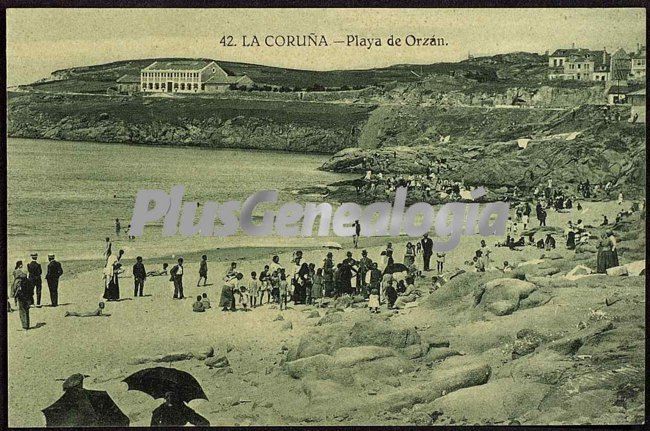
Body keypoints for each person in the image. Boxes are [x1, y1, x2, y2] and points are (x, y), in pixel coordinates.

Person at [12, 261, 32, 330]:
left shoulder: (17, 280)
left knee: (22, 309)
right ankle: (27, 325)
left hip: (21, 295)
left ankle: (24, 325)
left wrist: (15, 296)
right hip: (26, 295)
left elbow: (15, 289)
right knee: (26, 309)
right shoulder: (25, 279)